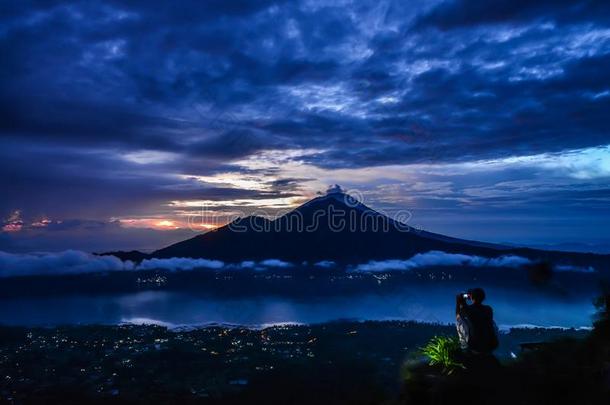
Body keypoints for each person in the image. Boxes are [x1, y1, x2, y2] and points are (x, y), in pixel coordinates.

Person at [456, 288, 499, 354]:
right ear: (483, 297)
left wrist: (459, 301)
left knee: (460, 324)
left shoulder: (469, 310)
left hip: (475, 345)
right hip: (489, 343)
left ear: (471, 297)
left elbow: (458, 317)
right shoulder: (488, 309)